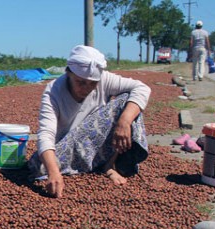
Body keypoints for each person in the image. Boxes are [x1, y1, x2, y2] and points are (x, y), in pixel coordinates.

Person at [28, 45, 151, 198]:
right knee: (37, 166)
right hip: (68, 146)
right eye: (80, 82)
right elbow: (46, 134)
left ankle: (110, 165)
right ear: (68, 74)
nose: (87, 88)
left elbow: (142, 89)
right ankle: (95, 167)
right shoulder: (53, 91)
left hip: (98, 142)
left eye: (92, 83)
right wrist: (54, 173)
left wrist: (124, 122)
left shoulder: (104, 79)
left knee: (129, 102)